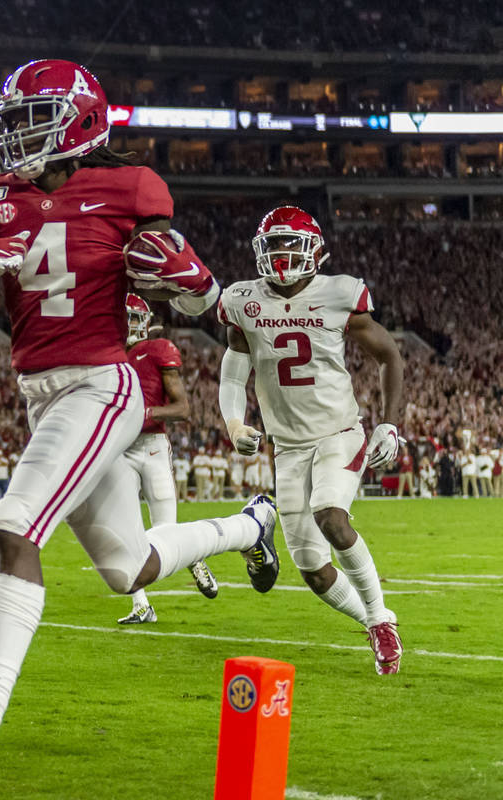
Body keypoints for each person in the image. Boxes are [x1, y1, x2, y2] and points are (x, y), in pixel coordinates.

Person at [0, 60, 281, 784]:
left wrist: (196, 285)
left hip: (104, 382)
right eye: (11, 122)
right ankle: (250, 527)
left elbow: (200, 305)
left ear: (79, 121)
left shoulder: (131, 188)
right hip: (41, 392)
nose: (16, 137)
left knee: (14, 526)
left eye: (33, 119)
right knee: (126, 567)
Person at [217, 205, 404, 676]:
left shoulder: (339, 293)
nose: (282, 253)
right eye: (273, 243)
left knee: (332, 518)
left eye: (290, 242)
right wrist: (235, 423)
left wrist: (389, 422)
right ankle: (374, 620)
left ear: (315, 249)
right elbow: (233, 370)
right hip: (288, 446)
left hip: (338, 432)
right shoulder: (243, 300)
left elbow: (390, 356)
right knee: (313, 571)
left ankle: (380, 620)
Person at [118, 294, 218, 625]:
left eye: (133, 318)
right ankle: (141, 606)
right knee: (124, 531)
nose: (127, 325)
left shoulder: (158, 348)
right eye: (123, 318)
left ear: (147, 322)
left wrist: (141, 413)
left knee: (165, 528)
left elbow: (182, 409)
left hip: (152, 446)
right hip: (119, 449)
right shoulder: (106, 357)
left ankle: (193, 554)